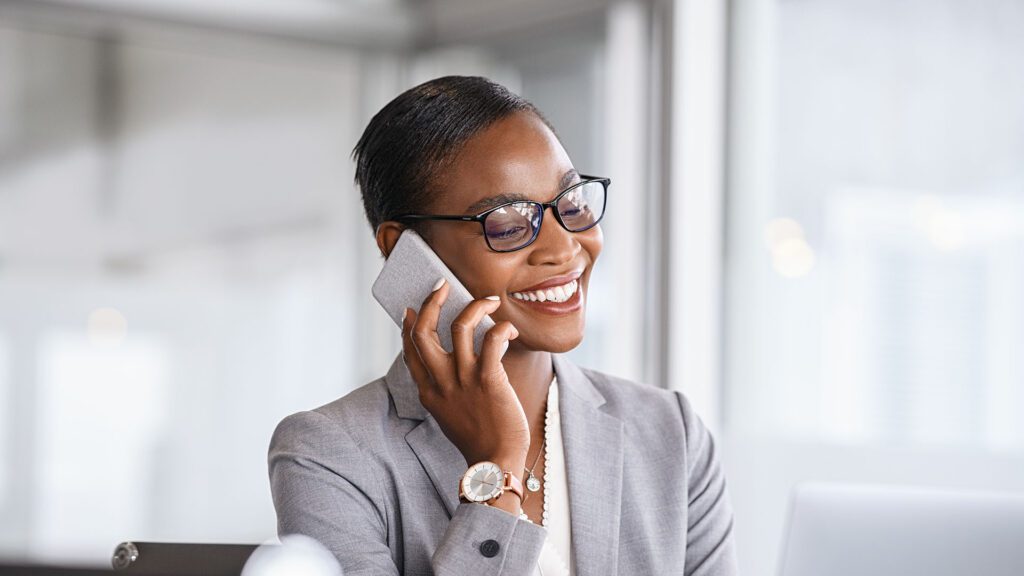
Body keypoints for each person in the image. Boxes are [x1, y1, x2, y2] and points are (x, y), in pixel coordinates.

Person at [268, 75, 738, 575]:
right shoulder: (329, 455)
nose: (564, 249)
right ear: (402, 249)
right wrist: (495, 467)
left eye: (573, 204)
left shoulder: (670, 433)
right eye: (509, 223)